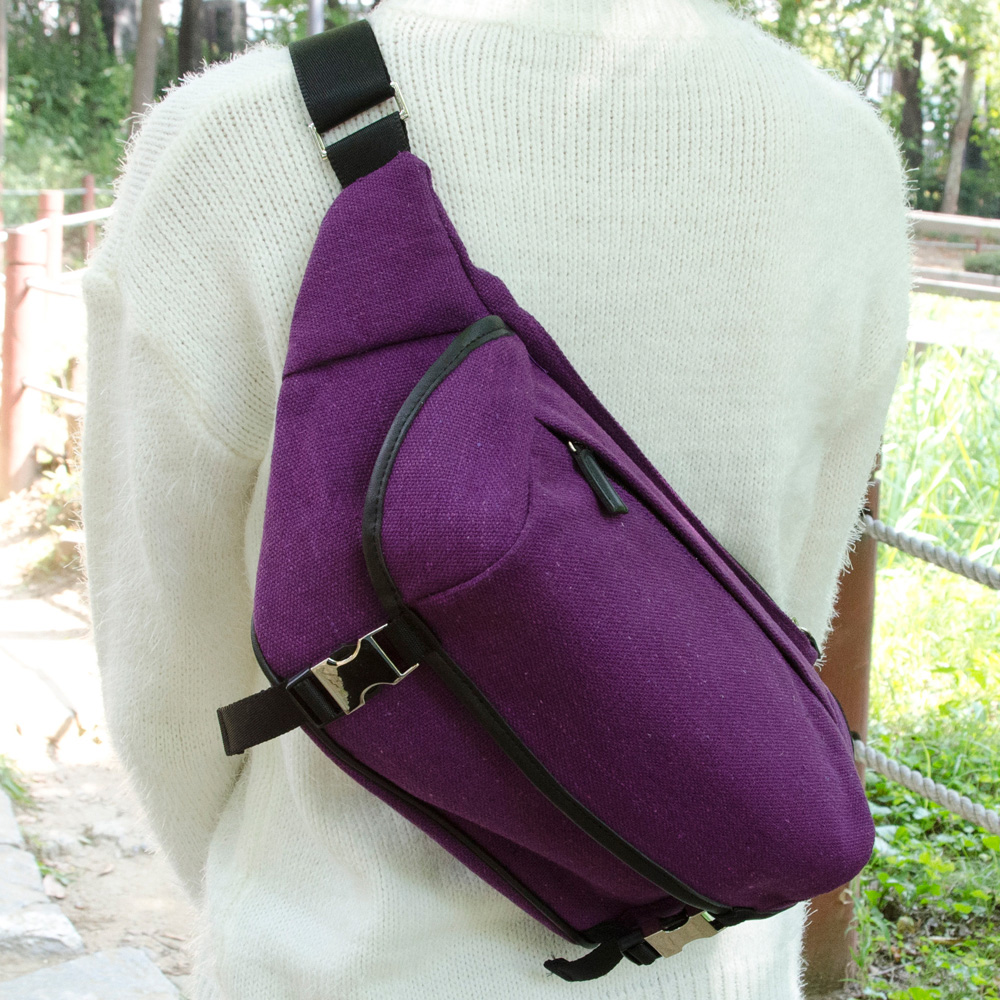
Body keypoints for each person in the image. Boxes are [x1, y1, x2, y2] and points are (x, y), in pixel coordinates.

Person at [81, 0, 912, 996]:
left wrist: (264, 890)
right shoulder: (845, 154)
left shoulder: (228, 142)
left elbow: (167, 683)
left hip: (334, 963)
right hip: (708, 958)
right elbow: (787, 623)